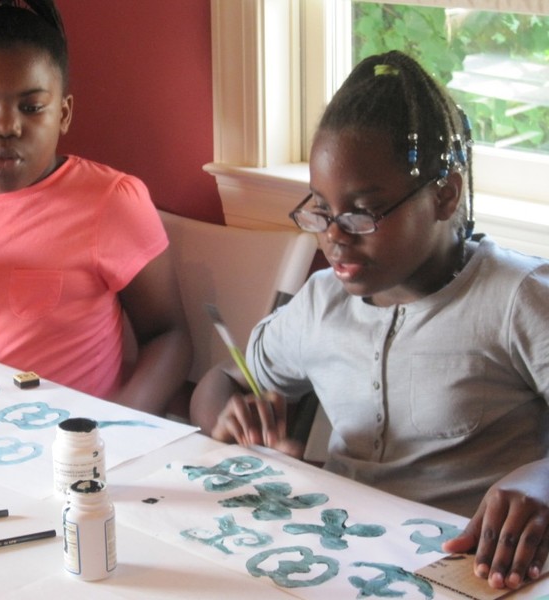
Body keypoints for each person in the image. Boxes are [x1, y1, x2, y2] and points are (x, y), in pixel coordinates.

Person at [190, 50, 549, 590]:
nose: (335, 234)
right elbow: (221, 381)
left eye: (361, 211)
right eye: (321, 210)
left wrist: (542, 482)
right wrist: (229, 421)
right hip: (334, 561)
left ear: (444, 194)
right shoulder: (320, 304)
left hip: (472, 571)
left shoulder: (516, 299)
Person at [0, 0, 191, 415]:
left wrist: (118, 425)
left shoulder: (111, 201)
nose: (5, 126)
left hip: (58, 444)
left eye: (31, 106)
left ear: (63, 113)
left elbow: (169, 336)